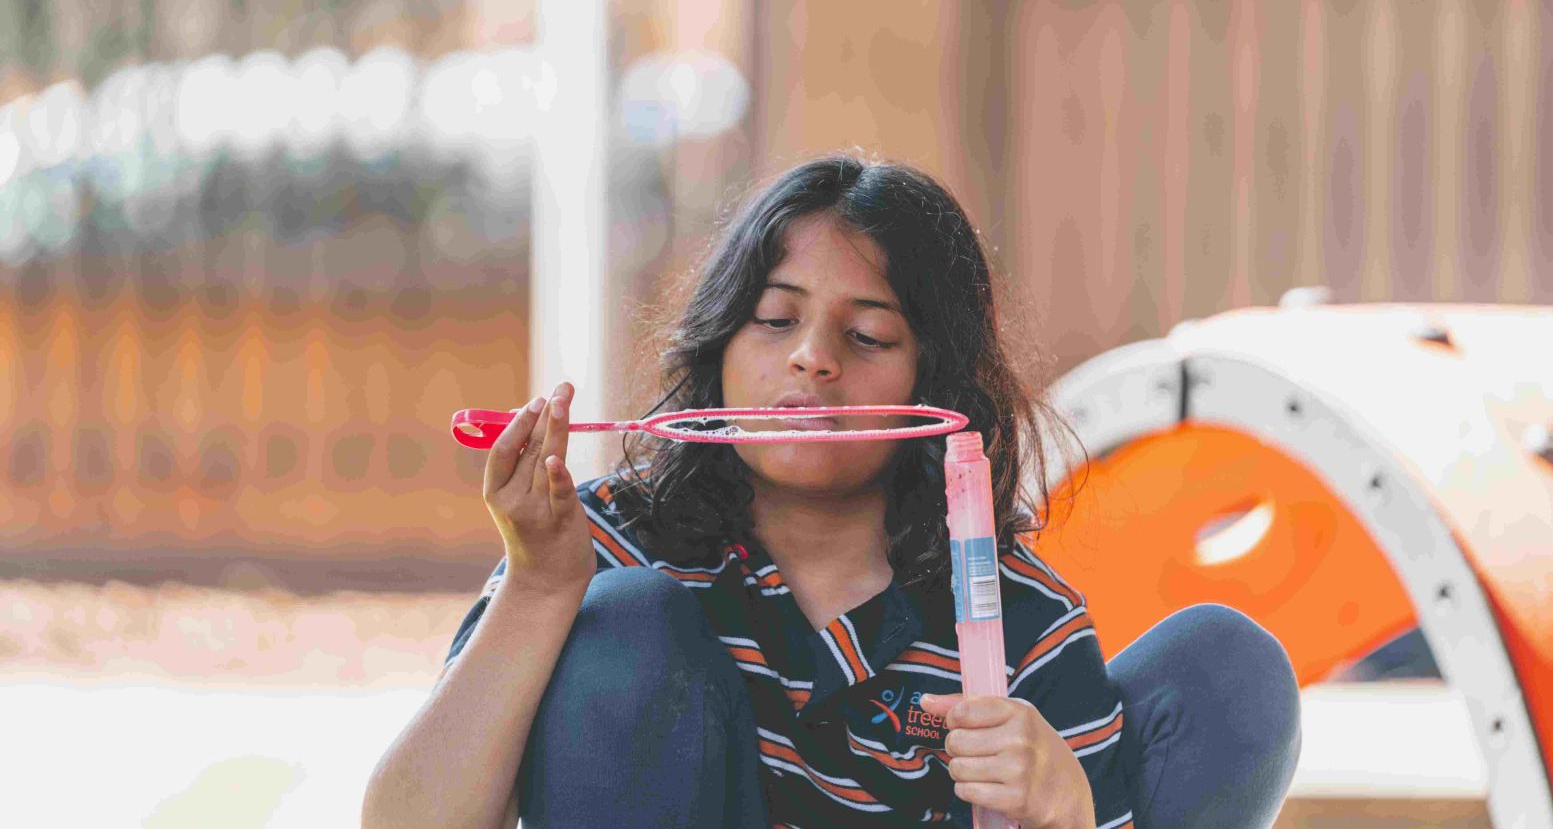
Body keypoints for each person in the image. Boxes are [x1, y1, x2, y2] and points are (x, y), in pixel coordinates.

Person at [362, 154, 1302, 829]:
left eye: (869, 337)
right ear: (720, 346)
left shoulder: (1016, 615)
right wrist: (536, 591)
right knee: (623, 622)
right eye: (775, 319)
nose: (811, 359)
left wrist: (1067, 811)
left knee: (1227, 664)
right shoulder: (602, 543)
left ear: (936, 391)